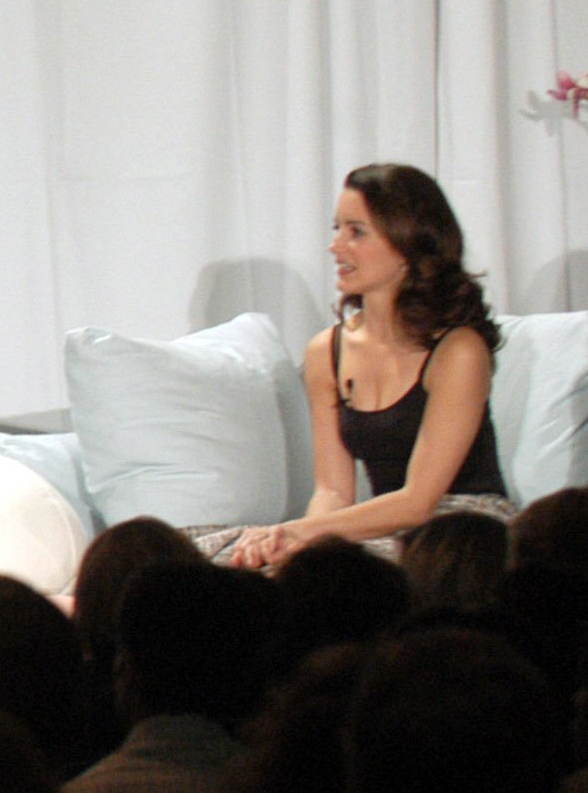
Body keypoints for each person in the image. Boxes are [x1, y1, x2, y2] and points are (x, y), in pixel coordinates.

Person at [218, 163, 508, 571]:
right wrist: (298, 551)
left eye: (356, 232)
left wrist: (300, 533)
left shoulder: (459, 350)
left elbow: (419, 501)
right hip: (384, 527)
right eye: (336, 229)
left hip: (461, 535)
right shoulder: (326, 351)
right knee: (224, 555)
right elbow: (333, 491)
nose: (336, 247)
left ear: (407, 243)